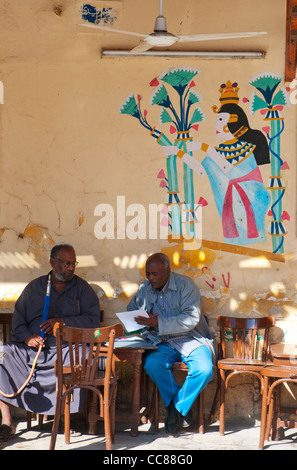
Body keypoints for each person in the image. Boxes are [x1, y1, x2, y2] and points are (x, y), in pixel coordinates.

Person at [0, 242, 101, 441]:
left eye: (74, 263)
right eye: (66, 263)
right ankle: (6, 421)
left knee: (84, 355)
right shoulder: (34, 288)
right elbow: (18, 322)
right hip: (34, 350)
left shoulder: (82, 288)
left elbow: (93, 320)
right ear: (53, 263)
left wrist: (63, 322)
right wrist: (28, 338)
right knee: (3, 354)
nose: (71, 268)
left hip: (66, 349)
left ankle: (65, 418)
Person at [127, 252, 214, 435]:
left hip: (191, 338)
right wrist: (141, 319)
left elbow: (191, 318)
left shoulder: (185, 285)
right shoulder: (145, 287)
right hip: (162, 341)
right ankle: (180, 408)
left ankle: (176, 407)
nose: (151, 278)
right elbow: (132, 310)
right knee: (152, 365)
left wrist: (158, 322)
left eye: (155, 274)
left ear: (168, 271)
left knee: (205, 369)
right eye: (148, 274)